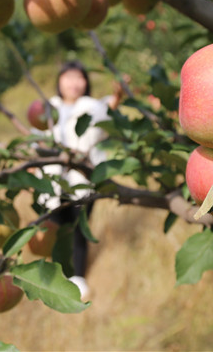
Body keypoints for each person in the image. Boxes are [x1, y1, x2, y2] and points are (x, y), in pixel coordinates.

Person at [34, 61, 123, 301]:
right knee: (53, 229)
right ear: (59, 80)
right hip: (52, 181)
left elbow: (107, 111)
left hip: (82, 179)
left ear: (86, 82)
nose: (74, 83)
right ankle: (59, 274)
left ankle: (79, 277)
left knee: (78, 228)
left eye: (79, 77)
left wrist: (117, 96)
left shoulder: (90, 106)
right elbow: (37, 140)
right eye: (69, 77)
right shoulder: (48, 107)